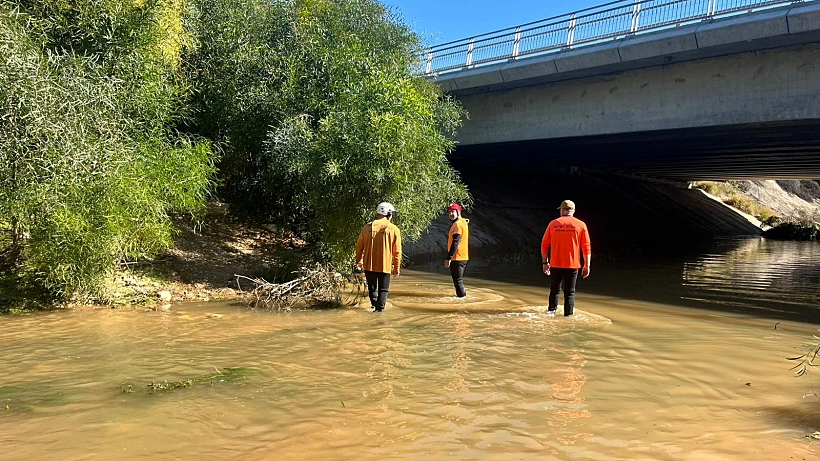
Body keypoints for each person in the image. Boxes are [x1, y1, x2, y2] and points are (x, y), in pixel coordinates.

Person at [541, 200, 591, 317]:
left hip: (555, 264)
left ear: (562, 210)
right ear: (573, 211)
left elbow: (544, 244)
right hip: (573, 265)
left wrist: (545, 262)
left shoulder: (553, 224)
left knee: (554, 291)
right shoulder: (581, 225)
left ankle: (551, 314)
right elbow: (586, 247)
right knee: (569, 293)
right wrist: (586, 265)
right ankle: (568, 317)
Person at [355, 202, 402, 312]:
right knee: (383, 290)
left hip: (368, 264)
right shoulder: (394, 229)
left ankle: (374, 307)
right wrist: (396, 268)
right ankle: (380, 311)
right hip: (385, 266)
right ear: (388, 214)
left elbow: (359, 247)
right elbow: (397, 252)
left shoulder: (366, 228)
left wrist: (359, 261)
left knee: (372, 289)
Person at [444, 203, 469, 297]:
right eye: (449, 212)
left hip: (457, 257)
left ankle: (462, 300)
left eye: (453, 211)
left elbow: (455, 242)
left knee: (458, 280)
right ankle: (461, 298)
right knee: (458, 280)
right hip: (462, 256)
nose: (450, 214)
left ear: (458, 212)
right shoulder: (462, 222)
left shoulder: (457, 225)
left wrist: (448, 258)